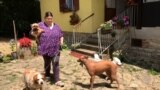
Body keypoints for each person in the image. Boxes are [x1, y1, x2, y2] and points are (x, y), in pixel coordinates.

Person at [31, 11, 64, 87]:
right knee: (47, 62)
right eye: (48, 18)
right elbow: (33, 33)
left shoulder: (56, 26)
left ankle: (57, 80)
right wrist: (40, 32)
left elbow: (61, 34)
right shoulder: (40, 25)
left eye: (51, 18)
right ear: (45, 18)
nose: (49, 20)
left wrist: (61, 42)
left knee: (56, 63)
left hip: (56, 48)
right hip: (44, 48)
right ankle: (48, 75)